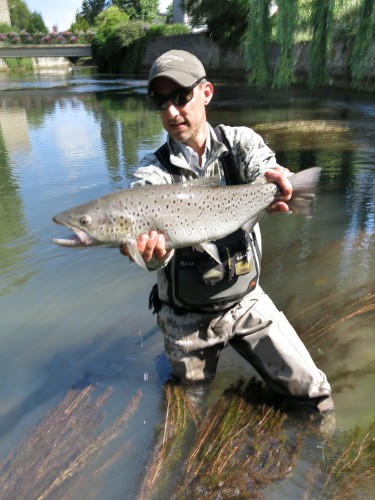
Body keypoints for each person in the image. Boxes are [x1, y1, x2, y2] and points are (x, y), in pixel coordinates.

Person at [121, 50, 334, 415]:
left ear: (206, 93)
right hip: (185, 319)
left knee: (314, 395)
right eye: (160, 101)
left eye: (181, 97)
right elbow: (137, 206)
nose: (171, 112)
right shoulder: (151, 173)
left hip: (247, 301)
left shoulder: (240, 143)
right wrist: (145, 252)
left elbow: (267, 168)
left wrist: (279, 180)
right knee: (185, 418)